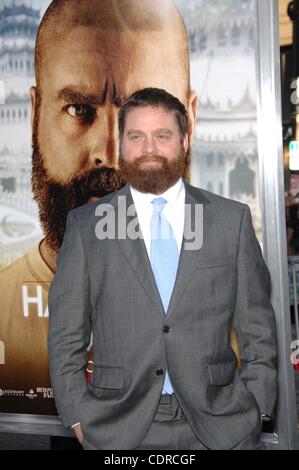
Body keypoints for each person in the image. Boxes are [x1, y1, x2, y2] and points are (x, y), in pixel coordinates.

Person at [48, 88, 278, 450]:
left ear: (185, 141)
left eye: (162, 135)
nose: (148, 148)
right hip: (117, 428)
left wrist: (258, 408)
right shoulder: (86, 226)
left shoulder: (229, 221)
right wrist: (77, 416)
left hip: (220, 426)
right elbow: (65, 336)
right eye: (136, 136)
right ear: (121, 144)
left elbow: (258, 328)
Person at [0, 0, 198, 415]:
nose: (111, 153)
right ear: (35, 116)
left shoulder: (230, 306)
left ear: (188, 126)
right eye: (78, 110)